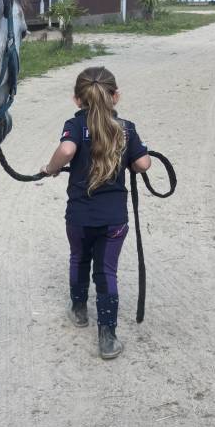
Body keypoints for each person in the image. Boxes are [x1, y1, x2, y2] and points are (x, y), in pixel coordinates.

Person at [41, 66, 150, 360]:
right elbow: (143, 164)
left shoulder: (75, 125)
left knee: (79, 258)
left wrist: (50, 169)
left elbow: (65, 152)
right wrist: (131, 157)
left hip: (80, 217)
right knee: (106, 271)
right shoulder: (126, 128)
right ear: (116, 96)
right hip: (114, 218)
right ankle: (107, 335)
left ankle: (79, 309)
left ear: (77, 100)